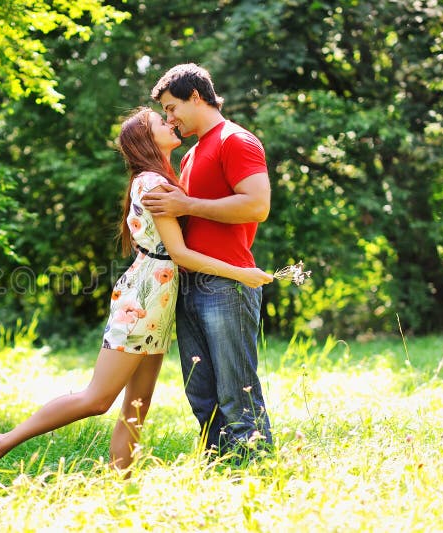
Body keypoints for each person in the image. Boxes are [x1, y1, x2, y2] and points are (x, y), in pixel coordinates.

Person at [0, 107, 273, 475]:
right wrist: (241, 273)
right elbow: (179, 253)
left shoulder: (165, 178)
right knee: (97, 399)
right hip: (143, 299)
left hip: (159, 302)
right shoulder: (153, 184)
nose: (170, 122)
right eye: (161, 121)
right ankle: (0, 442)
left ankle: (120, 487)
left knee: (137, 405)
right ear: (146, 139)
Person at [144, 63, 274, 458]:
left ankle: (256, 466)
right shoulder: (192, 154)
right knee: (201, 392)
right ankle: (221, 465)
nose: (170, 118)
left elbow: (257, 205)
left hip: (227, 284)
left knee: (237, 390)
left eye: (171, 108)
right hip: (191, 282)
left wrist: (186, 204)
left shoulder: (236, 140)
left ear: (196, 96)